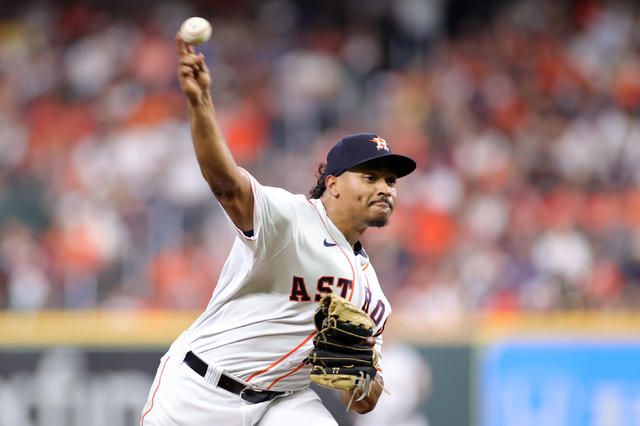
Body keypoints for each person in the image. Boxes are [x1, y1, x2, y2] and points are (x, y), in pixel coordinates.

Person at [140, 33, 417, 426]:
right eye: (371, 177)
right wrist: (200, 103)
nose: (385, 188)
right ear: (333, 183)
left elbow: (358, 401)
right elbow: (225, 184)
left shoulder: (373, 296)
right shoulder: (290, 218)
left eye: (391, 182)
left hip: (284, 402)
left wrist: (362, 377)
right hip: (199, 390)